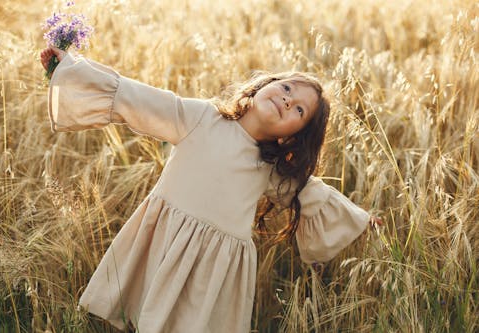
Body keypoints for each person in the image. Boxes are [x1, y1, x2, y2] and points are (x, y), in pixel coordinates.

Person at [40, 46, 382, 333]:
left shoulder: (270, 168)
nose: (286, 101)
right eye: (287, 89)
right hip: (167, 241)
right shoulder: (202, 118)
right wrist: (69, 69)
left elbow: (312, 194)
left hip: (214, 269)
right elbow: (138, 98)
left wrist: (361, 220)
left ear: (290, 137)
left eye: (298, 110)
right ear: (263, 86)